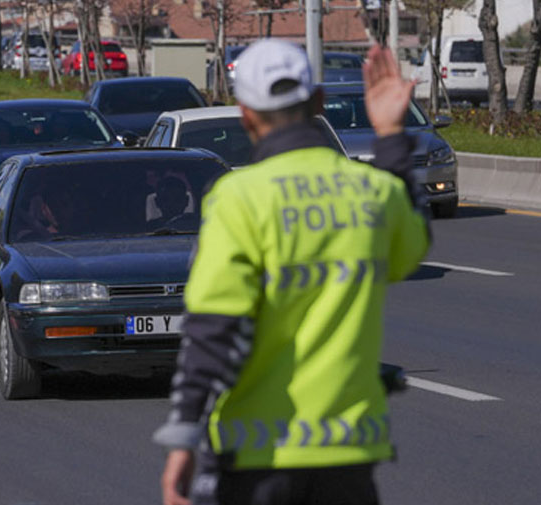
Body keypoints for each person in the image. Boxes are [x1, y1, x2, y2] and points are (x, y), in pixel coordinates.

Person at [153, 41, 429, 505]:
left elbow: (212, 328)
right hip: (349, 456)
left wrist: (183, 439)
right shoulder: (374, 191)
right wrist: (390, 136)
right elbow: (410, 249)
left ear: (245, 114)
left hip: (257, 458)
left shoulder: (238, 198)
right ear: (318, 103)